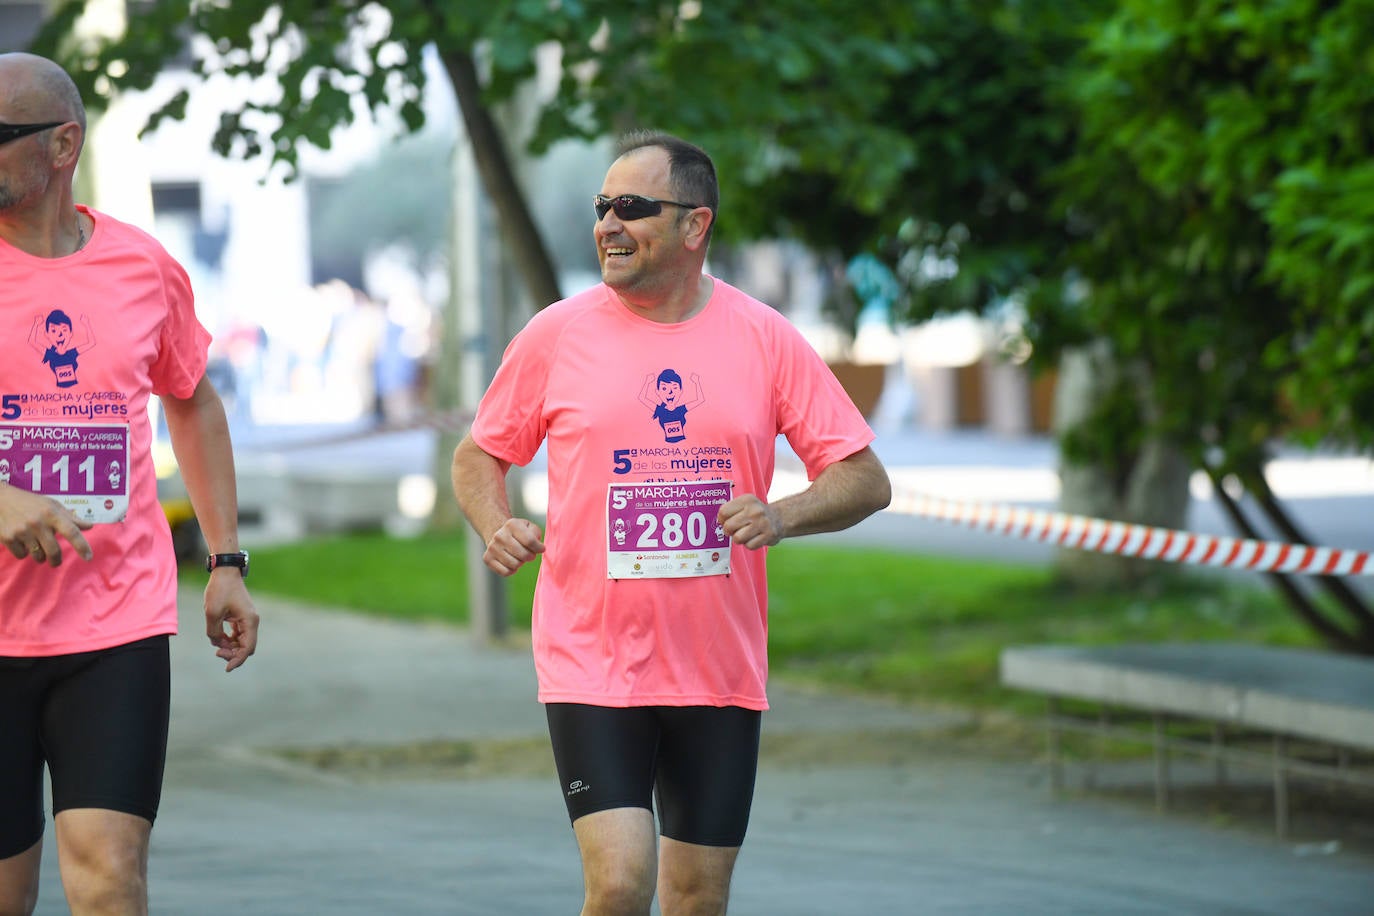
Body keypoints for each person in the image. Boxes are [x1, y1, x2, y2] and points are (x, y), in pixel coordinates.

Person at [451, 130, 891, 915]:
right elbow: (477, 456)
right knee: (620, 882)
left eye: (632, 207)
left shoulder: (764, 338)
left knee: (696, 897)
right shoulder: (558, 333)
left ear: (695, 226)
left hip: (717, 670)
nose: (608, 225)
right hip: (593, 662)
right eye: (601, 207)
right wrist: (495, 523)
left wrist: (781, 515)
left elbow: (864, 478)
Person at [0, 52, 259, 915]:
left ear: (62, 144)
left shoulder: (143, 266)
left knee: (110, 876)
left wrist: (227, 558)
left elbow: (193, 401)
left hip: (116, 621)